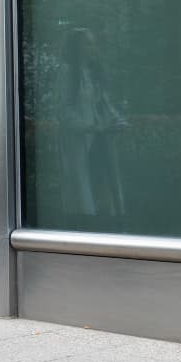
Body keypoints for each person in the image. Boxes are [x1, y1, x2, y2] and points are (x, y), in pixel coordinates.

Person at [55, 27, 127, 221]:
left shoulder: (94, 73)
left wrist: (118, 121)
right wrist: (88, 127)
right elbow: (64, 111)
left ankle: (109, 226)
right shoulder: (67, 72)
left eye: (94, 43)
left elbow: (105, 104)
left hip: (100, 140)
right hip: (79, 142)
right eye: (88, 43)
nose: (93, 48)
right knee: (82, 193)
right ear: (76, 47)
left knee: (104, 189)